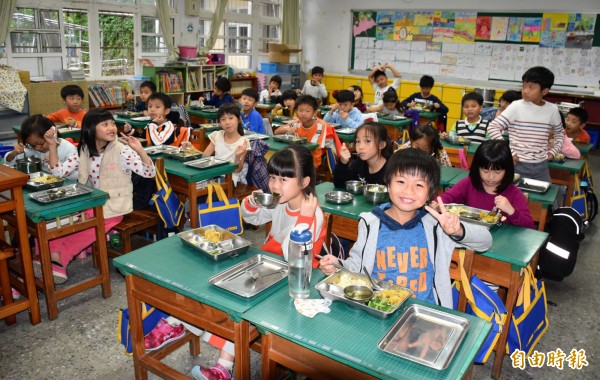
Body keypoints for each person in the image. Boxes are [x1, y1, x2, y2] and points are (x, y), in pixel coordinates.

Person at [192, 145, 326, 380]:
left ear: (304, 182)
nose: (275, 185)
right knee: (226, 292)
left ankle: (224, 368)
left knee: (242, 307)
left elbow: (292, 254)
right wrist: (253, 203)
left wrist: (303, 218)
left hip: (297, 282)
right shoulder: (281, 201)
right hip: (269, 267)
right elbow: (253, 217)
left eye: (284, 179)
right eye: (273, 177)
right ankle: (188, 326)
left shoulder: (312, 213)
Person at [319, 148, 492, 307]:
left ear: (430, 192)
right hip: (381, 307)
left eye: (419, 185)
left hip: (425, 311)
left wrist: (457, 230)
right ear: (387, 184)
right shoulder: (371, 223)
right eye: (401, 181)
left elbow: (485, 241)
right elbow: (357, 265)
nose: (408, 191)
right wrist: (338, 265)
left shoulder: (435, 226)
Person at [35, 109, 155, 283]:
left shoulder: (122, 151)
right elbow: (59, 173)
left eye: (112, 123)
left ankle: (57, 261)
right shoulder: (84, 149)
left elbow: (149, 172)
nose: (112, 127)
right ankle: (50, 258)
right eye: (105, 124)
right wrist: (52, 146)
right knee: (53, 220)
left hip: (114, 207)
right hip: (89, 203)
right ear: (91, 128)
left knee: (88, 227)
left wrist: (140, 150)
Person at [488, 66, 564, 182]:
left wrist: (553, 152)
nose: (525, 90)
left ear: (544, 91)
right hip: (516, 163)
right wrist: (509, 152)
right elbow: (493, 127)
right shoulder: (516, 106)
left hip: (541, 166)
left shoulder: (552, 109)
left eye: (531, 87)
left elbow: (560, 134)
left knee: (544, 198)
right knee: (511, 197)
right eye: (523, 85)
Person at [439, 140, 535, 229]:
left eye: (497, 172)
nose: (491, 177)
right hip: (471, 239)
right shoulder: (468, 184)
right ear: (477, 168)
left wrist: (511, 211)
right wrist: (436, 204)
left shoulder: (514, 193)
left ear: (507, 170)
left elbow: (529, 225)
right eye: (485, 171)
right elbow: (446, 197)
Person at [5, 115, 78, 179]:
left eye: (40, 143)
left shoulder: (69, 150)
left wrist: (55, 161)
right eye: (32, 145)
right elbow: (9, 163)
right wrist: (14, 153)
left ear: (52, 135)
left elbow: (73, 176)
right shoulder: (33, 149)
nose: (37, 148)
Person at [200, 103, 250, 186]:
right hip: (212, 176)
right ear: (219, 122)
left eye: (231, 118)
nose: (227, 122)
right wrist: (190, 149)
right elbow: (204, 157)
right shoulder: (217, 135)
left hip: (229, 179)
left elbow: (237, 170)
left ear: (239, 119)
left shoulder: (243, 142)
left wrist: (237, 156)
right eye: (223, 119)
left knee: (208, 194)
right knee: (196, 190)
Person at [274, 95, 329, 168]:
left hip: (312, 160)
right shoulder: (296, 123)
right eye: (300, 110)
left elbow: (313, 146)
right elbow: (276, 132)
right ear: (296, 111)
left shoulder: (320, 125)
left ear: (315, 112)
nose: (303, 114)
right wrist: (286, 129)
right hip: (294, 157)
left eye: (308, 111)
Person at [333, 122, 392, 187]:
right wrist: (343, 162)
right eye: (358, 141)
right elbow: (339, 184)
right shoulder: (360, 163)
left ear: (381, 145)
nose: (360, 147)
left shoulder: (391, 169)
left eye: (367, 141)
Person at [125, 93, 189, 147]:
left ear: (166, 111)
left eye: (157, 107)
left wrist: (153, 124)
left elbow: (158, 143)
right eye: (150, 106)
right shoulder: (151, 124)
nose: (152, 109)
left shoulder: (168, 126)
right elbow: (143, 139)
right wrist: (130, 131)